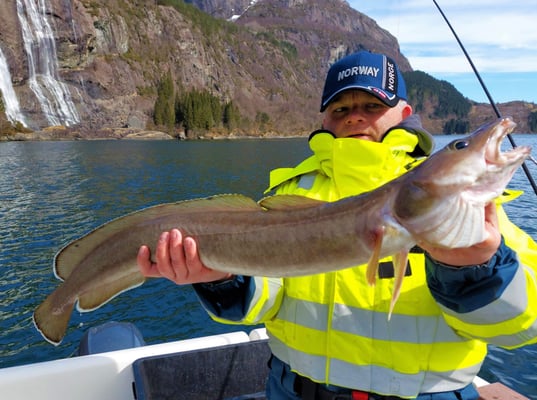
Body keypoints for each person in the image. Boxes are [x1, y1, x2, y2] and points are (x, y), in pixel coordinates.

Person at [137, 51, 537, 399]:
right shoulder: (291, 192)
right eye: (341, 109)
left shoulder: (473, 210)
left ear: (404, 114)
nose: (355, 117)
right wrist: (223, 279)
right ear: (326, 118)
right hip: (295, 390)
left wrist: (476, 269)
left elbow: (521, 328)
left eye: (373, 105)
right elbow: (268, 300)